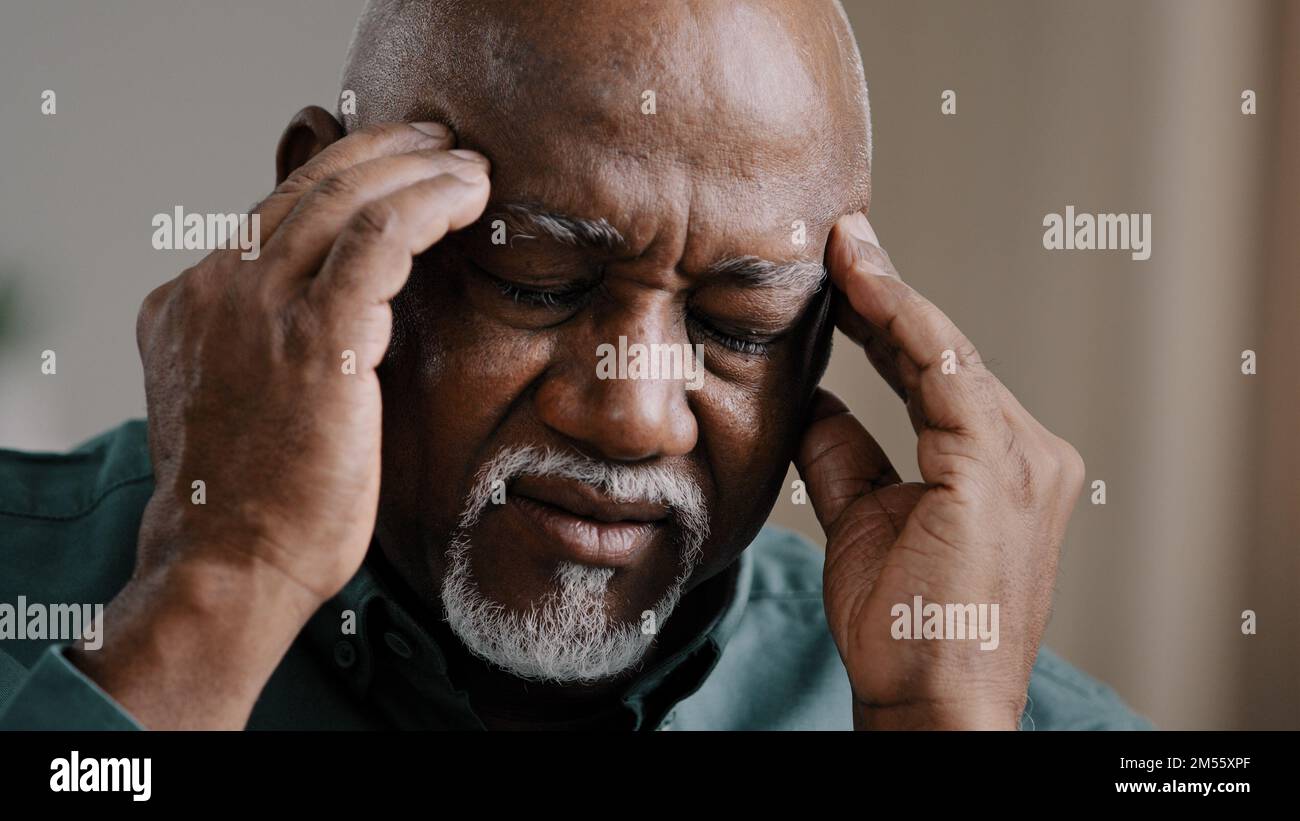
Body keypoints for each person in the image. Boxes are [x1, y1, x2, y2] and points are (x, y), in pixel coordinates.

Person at [0, 0, 1148, 730]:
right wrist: (214, 594)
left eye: (740, 323)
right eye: (540, 284)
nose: (634, 414)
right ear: (322, 215)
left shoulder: (1005, 714)